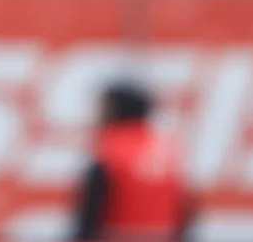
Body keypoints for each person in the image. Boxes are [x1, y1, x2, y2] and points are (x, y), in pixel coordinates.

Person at [74, 82, 193, 241]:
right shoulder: (165, 149)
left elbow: (91, 214)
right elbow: (185, 210)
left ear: (115, 111)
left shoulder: (111, 149)